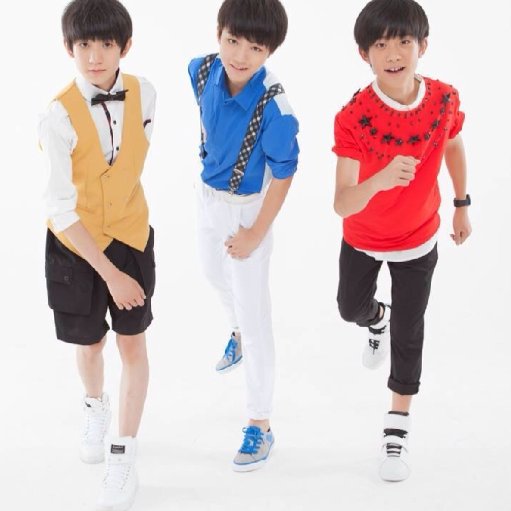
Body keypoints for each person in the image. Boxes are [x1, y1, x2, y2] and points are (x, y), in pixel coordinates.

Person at [332, 0, 471, 482]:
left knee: (409, 333)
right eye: (381, 44)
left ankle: (397, 427)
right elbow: (342, 203)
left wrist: (462, 203)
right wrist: (381, 179)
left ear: (422, 46)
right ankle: (376, 319)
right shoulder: (353, 116)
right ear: (364, 54)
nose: (393, 54)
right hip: (364, 237)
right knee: (349, 308)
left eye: (404, 42)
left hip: (418, 238)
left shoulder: (444, 100)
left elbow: (452, 144)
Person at [38, 0, 156, 508]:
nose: (94, 56)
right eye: (84, 44)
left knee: (133, 346)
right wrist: (109, 273)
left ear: (124, 46)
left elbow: (128, 165)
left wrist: (123, 261)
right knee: (89, 346)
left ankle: (122, 455)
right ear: (69, 47)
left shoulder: (146, 94)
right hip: (76, 247)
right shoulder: (56, 116)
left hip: (131, 236)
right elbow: (60, 208)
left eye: (106, 44)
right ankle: (94, 404)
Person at [188, 0, 299, 472]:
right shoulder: (200, 70)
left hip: (247, 209)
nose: (240, 55)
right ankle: (233, 328)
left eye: (255, 48)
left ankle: (260, 422)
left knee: (256, 322)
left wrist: (255, 231)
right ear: (218, 33)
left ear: (269, 51)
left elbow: (284, 174)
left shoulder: (276, 110)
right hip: (206, 196)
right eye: (233, 41)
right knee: (211, 272)